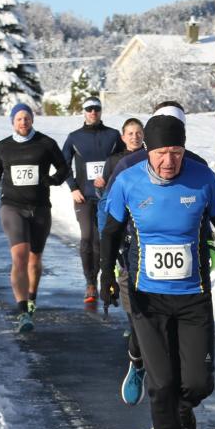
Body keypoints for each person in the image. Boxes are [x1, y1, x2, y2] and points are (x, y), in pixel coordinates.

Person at [98, 114, 215, 429]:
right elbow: (111, 232)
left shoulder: (201, 179)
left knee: (197, 383)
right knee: (162, 384)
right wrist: (106, 277)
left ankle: (179, 411)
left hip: (194, 296)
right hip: (148, 300)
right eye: (162, 153)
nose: (169, 161)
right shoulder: (128, 181)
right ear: (148, 150)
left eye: (176, 152)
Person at [0, 103, 69, 332]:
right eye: (19, 119)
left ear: (32, 121)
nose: (23, 122)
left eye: (27, 118)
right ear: (12, 122)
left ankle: (31, 298)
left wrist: (53, 180)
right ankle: (22, 312)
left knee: (34, 259)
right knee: (19, 256)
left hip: (39, 208)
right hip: (12, 206)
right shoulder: (4, 147)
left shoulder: (46, 143)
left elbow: (63, 168)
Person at [98, 117, 150, 406]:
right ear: (123, 135)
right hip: (130, 248)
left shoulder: (183, 163)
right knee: (138, 315)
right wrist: (109, 241)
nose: (134, 137)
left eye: (138, 133)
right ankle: (137, 357)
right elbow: (107, 206)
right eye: (130, 133)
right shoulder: (120, 164)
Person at [62, 96, 121, 305]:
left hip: (107, 196)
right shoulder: (74, 137)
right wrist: (73, 188)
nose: (93, 112)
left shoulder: (113, 136)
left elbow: (123, 161)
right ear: (84, 112)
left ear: (101, 111)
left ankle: (103, 279)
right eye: (89, 109)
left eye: (96, 109)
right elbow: (63, 164)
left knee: (100, 240)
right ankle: (90, 282)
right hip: (83, 197)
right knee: (87, 237)